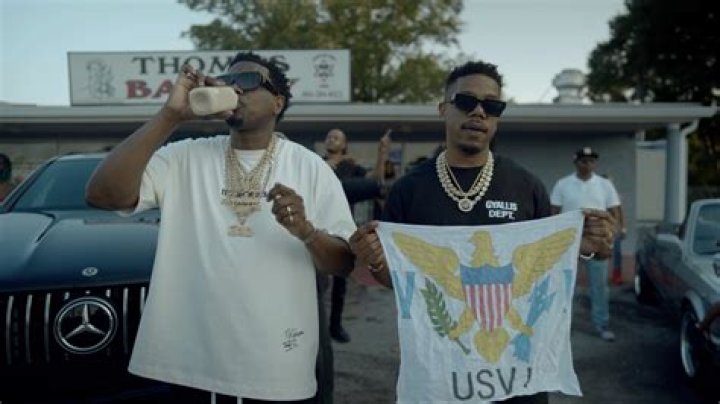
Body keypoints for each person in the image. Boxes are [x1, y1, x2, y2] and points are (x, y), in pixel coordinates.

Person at [86, 52, 356, 403]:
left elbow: (344, 262)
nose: (234, 88)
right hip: (191, 364)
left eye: (247, 80)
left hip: (274, 368)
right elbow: (103, 195)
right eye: (228, 81)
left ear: (277, 102)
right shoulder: (184, 156)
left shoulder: (310, 167)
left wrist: (306, 231)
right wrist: (170, 116)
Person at [349, 61, 615, 404]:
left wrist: (586, 246)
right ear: (443, 109)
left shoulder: (526, 186)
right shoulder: (408, 191)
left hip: (518, 380)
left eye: (491, 105)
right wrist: (374, 261)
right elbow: (401, 279)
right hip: (441, 378)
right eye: (466, 101)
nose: (478, 112)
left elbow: (543, 272)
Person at [323, 127, 391, 343]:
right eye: (329, 137)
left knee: (340, 279)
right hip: (317, 224)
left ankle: (335, 326)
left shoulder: (350, 166)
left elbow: (375, 181)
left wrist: (382, 153)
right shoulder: (317, 163)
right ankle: (316, 325)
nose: (331, 139)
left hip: (341, 226)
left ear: (344, 145)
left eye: (336, 137)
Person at [550, 147, 622, 342]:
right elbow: (553, 211)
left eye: (591, 161)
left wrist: (615, 231)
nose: (588, 164)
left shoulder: (604, 184)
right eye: (584, 161)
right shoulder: (563, 184)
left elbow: (615, 210)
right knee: (566, 286)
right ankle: (563, 328)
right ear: (576, 162)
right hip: (569, 241)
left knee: (599, 286)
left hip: (596, 242)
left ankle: (602, 324)